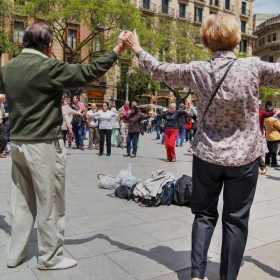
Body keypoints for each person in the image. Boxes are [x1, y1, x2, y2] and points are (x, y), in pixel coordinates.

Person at [122, 11, 280, 280]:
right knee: (236, 219)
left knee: (204, 215)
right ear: (236, 38)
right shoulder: (254, 66)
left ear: (206, 41)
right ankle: (227, 276)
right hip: (244, 158)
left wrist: (137, 47)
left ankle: (196, 274)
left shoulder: (197, 70)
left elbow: (160, 69)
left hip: (206, 155)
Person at [0, 22, 127, 270]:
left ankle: (15, 254)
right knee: (50, 201)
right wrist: (117, 49)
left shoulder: (8, 68)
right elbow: (88, 71)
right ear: (49, 46)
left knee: (21, 202)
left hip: (17, 143)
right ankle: (50, 258)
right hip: (43, 143)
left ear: (24, 42)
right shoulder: (48, 67)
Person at [258, 101, 276, 174]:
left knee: (255, 151)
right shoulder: (247, 110)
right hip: (246, 134)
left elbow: (268, 114)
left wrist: (274, 112)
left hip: (257, 134)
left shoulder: (260, 112)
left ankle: (263, 166)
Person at [0, 94, 8, 158]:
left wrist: (9, 114)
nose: (4, 100)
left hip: (1, 123)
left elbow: (3, 115)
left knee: (2, 138)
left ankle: (0, 152)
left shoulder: (2, 105)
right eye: (3, 98)